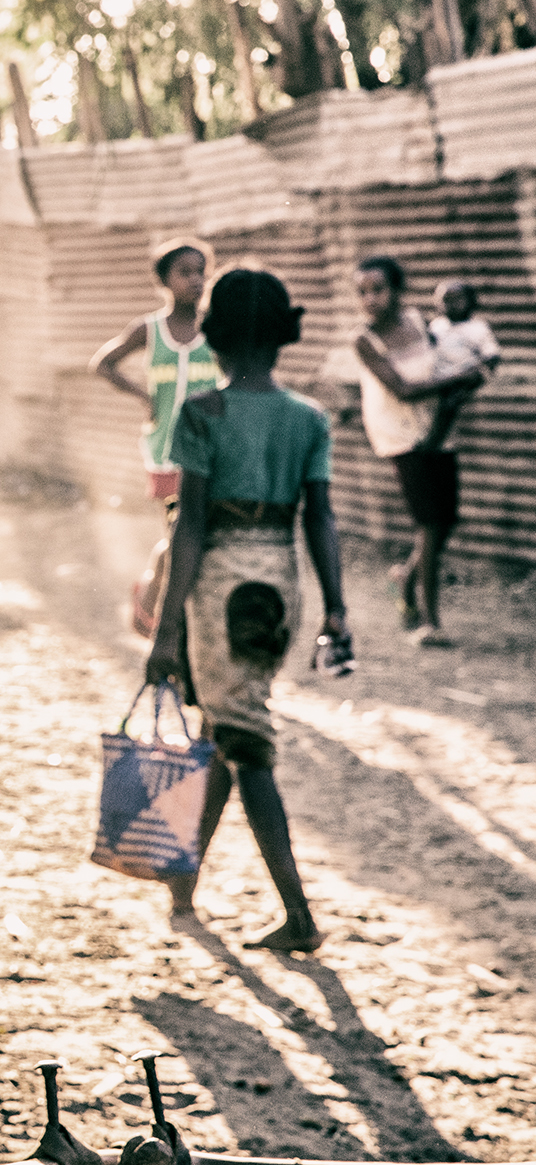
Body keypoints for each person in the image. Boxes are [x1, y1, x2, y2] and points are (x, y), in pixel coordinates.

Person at [146, 268, 347, 953]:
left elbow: (191, 527)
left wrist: (165, 631)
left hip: (221, 586)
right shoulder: (308, 418)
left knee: (244, 742)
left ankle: (299, 915)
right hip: (279, 583)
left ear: (217, 337)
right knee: (229, 731)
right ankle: (183, 879)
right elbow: (321, 519)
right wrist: (336, 610)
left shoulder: (201, 412)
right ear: (282, 338)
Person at [353, 257, 486, 647]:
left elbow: (445, 363)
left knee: (446, 521)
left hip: (437, 430)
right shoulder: (365, 340)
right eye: (362, 292)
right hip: (400, 437)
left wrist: (467, 375)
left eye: (378, 289)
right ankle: (430, 621)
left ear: (397, 289)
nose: (370, 298)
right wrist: (462, 377)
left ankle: (405, 577)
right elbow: (402, 389)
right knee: (430, 522)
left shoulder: (418, 322)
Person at [90, 238, 219, 637]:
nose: (195, 280)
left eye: (201, 272)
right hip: (165, 449)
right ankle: (151, 602)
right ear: (163, 280)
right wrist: (143, 396)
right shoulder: (150, 329)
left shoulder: (214, 327)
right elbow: (103, 364)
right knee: (180, 530)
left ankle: (172, 607)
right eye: (185, 272)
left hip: (210, 449)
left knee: (200, 531)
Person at [420, 279, 500, 453]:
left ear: (471, 302)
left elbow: (491, 355)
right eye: (445, 300)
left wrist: (482, 374)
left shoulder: (477, 328)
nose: (451, 305)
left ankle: (432, 443)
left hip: (464, 376)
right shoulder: (437, 326)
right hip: (441, 377)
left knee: (449, 404)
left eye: (457, 299)